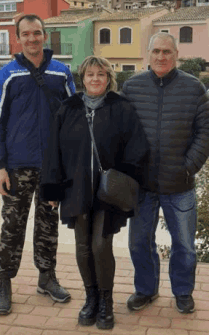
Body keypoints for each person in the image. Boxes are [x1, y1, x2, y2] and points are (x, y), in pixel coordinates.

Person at [40, 55, 149, 330]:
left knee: (101, 246)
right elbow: (53, 150)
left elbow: (138, 148)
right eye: (90, 74)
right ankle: (91, 299)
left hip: (108, 192)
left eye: (101, 74)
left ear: (108, 78)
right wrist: (51, 188)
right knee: (83, 247)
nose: (95, 79)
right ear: (83, 78)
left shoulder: (121, 107)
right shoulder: (68, 108)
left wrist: (125, 177)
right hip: (75, 189)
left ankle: (106, 301)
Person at [0, 14, 75, 315]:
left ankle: (46, 276)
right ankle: (4, 282)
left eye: (37, 33)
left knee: (48, 224)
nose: (32, 39)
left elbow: (73, 118)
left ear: (44, 35)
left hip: (52, 166)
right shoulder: (6, 76)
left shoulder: (62, 73)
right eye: (25, 34)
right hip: (16, 167)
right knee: (12, 226)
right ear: (18, 38)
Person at [122, 32, 209, 314]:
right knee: (138, 242)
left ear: (176, 55)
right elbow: (120, 130)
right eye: (156, 51)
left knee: (184, 245)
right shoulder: (132, 86)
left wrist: (189, 165)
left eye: (167, 52)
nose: (161, 57)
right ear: (147, 54)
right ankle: (146, 290)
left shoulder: (194, 88)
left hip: (179, 183)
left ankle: (183, 292)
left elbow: (205, 132)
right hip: (142, 185)